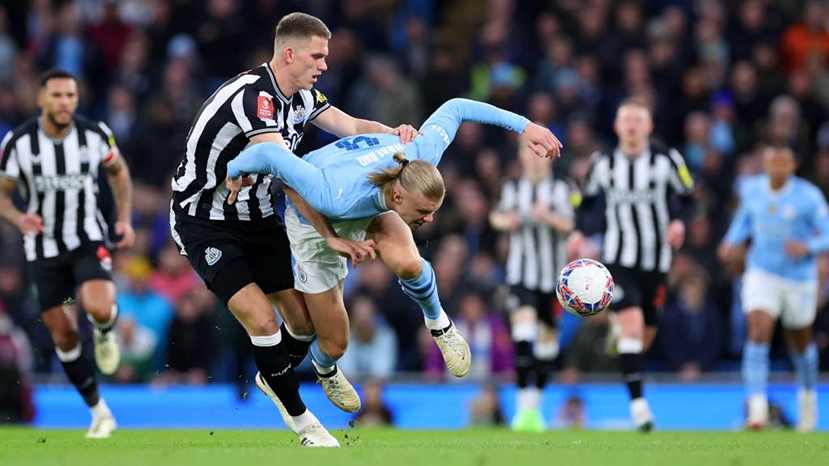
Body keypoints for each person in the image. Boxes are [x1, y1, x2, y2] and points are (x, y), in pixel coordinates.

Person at [169, 12, 415, 448]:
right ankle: (304, 422)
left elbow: (352, 125)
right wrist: (330, 236)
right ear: (289, 53)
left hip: (259, 216)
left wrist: (394, 136)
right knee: (262, 319)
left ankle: (273, 378)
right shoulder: (253, 99)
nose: (324, 65)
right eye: (317, 56)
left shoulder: (299, 97)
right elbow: (293, 175)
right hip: (206, 220)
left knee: (301, 322)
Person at [224, 98, 562, 399]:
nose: (429, 220)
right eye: (422, 212)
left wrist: (526, 126)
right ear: (399, 197)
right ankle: (326, 370)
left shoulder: (421, 153)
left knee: (409, 263)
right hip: (315, 223)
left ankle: (440, 325)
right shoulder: (335, 195)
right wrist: (235, 171)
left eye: (432, 211)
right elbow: (275, 161)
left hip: (372, 204)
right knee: (335, 343)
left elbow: (458, 107)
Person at [0, 69, 135, 438]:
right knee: (63, 334)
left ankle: (106, 329)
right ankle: (99, 411)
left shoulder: (94, 135)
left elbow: (119, 173)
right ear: (41, 99)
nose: (64, 103)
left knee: (98, 307)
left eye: (70, 96)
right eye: (57, 95)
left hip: (86, 239)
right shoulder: (18, 143)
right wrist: (17, 216)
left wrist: (124, 219)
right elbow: (3, 193)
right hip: (42, 249)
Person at [566, 98, 694, 432]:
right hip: (619, 260)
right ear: (617, 126)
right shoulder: (603, 162)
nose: (632, 125)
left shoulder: (668, 159)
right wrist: (579, 231)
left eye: (639, 119)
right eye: (626, 119)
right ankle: (639, 408)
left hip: (657, 262)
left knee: (644, 335)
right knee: (633, 326)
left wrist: (679, 222)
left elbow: (688, 196)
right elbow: (585, 200)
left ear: (649, 126)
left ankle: (617, 335)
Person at [719, 146, 828, 432]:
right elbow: (744, 220)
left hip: (798, 278)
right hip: (761, 273)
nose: (777, 166)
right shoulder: (751, 189)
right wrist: (731, 240)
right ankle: (756, 409)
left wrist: (809, 247)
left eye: (783, 162)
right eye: (771, 161)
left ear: (792, 166)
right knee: (757, 329)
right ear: (765, 164)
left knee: (800, 342)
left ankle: (807, 403)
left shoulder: (808, 196)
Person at [489, 144, 574, 432]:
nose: (535, 160)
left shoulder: (563, 187)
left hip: (554, 280)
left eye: (540, 155)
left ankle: (532, 409)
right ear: (522, 157)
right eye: (529, 154)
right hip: (521, 275)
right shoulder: (513, 187)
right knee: (523, 333)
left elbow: (572, 225)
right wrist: (507, 221)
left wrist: (548, 217)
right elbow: (496, 217)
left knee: (547, 348)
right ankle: (524, 411)